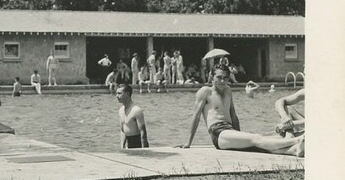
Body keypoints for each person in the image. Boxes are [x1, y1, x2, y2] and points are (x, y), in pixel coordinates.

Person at [176, 64, 304, 157]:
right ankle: (297, 140)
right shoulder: (205, 91)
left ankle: (294, 150)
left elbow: (233, 115)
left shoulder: (228, 90)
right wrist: (188, 142)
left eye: (225, 78)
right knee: (256, 138)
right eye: (219, 77)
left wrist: (240, 136)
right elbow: (196, 116)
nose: (222, 81)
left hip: (229, 131)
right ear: (211, 76)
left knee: (256, 145)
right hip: (218, 133)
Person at [116, 84, 149, 149]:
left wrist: (144, 151)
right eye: (116, 93)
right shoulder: (121, 110)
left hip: (138, 144)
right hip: (128, 144)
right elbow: (123, 130)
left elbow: (143, 133)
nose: (117, 96)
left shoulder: (136, 110)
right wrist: (122, 147)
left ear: (127, 94)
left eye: (119, 93)